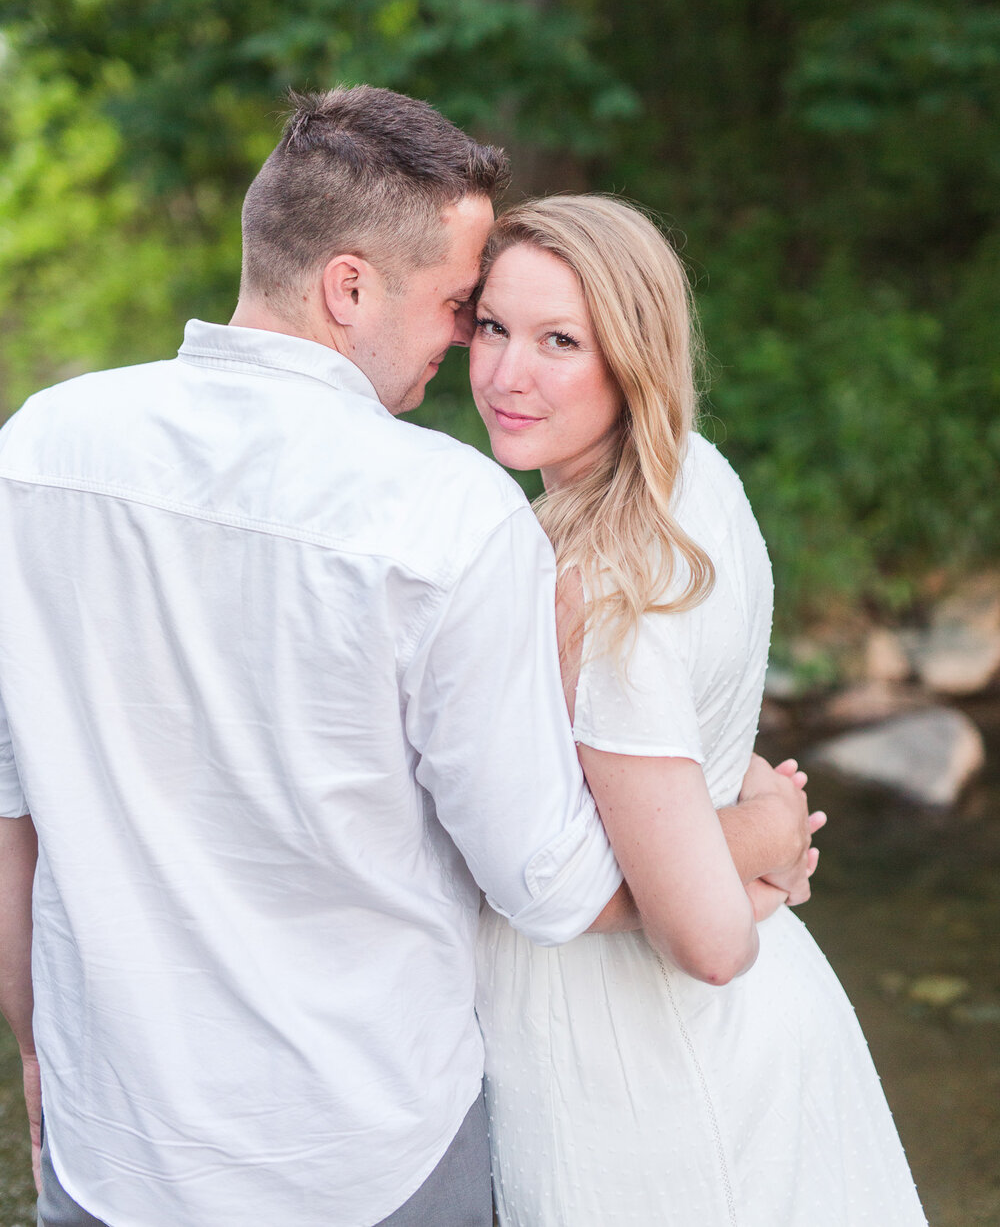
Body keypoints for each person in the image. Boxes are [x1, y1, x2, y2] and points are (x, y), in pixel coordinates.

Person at [0, 89, 816, 1227]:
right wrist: (752, 835)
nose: (465, 347)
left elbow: (16, 812)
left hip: (114, 1151)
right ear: (347, 287)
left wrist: (39, 1046)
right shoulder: (451, 515)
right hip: (364, 1159)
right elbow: (547, 879)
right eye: (460, 309)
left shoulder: (36, 449)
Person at [472, 195, 928, 1227]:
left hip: (647, 1066)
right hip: (737, 1034)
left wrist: (733, 863)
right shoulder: (691, 480)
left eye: (558, 341)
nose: (506, 373)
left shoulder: (616, 576)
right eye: (493, 327)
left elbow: (709, 940)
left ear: (632, 356)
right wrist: (751, 828)